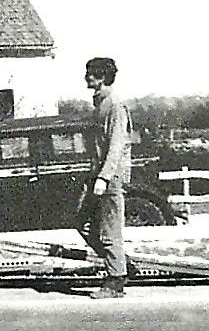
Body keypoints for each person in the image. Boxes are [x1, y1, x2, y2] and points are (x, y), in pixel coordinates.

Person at [77, 57, 134, 299]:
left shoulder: (114, 106)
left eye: (91, 74)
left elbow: (116, 146)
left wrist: (104, 178)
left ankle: (115, 282)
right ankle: (123, 264)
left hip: (109, 178)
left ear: (102, 77)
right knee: (81, 221)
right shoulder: (100, 105)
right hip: (97, 175)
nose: (86, 77)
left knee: (110, 231)